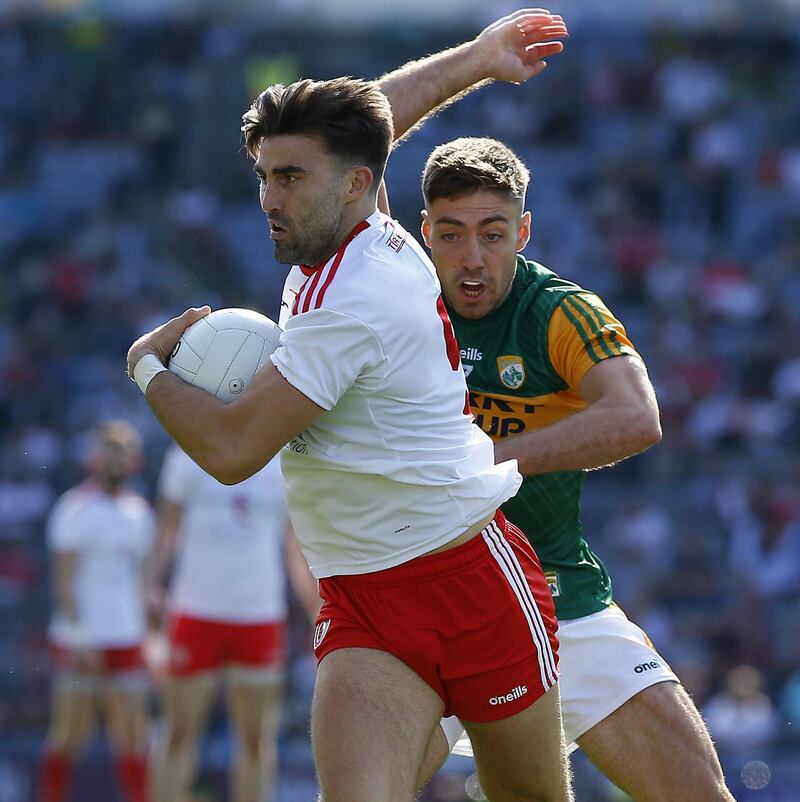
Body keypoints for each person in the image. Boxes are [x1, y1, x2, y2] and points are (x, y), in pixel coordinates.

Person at [127, 12, 575, 802]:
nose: (268, 196)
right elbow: (378, 112)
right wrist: (475, 57)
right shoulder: (351, 218)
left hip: (470, 585)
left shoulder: (353, 301)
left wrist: (148, 369)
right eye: (264, 175)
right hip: (361, 599)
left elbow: (232, 453)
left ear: (353, 183)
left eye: (288, 178)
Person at [381, 129, 736, 796]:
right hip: (425, 612)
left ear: (525, 231)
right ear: (424, 231)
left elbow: (637, 417)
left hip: (556, 598)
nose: (472, 258)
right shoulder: (396, 300)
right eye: (452, 234)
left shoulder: (559, 313)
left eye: (493, 233)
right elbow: (356, 146)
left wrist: (485, 461)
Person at [148, 446, 319, 802]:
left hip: (259, 614)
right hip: (195, 610)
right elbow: (166, 533)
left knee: (256, 740)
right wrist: (149, 589)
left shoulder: (282, 461)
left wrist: (316, 608)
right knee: (179, 732)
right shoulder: (185, 457)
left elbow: (295, 547)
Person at [39, 421, 155, 802]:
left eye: (121, 453)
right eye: (108, 452)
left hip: (126, 635)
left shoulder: (140, 513)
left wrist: (152, 632)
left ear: (133, 461)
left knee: (134, 733)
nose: (114, 461)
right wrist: (80, 636)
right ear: (94, 459)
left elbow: (142, 581)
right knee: (72, 731)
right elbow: (64, 582)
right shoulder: (75, 509)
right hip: (82, 639)